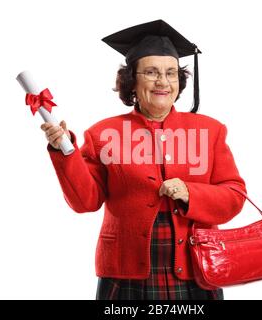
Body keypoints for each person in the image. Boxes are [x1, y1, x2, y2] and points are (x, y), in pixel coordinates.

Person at [40, 20, 246, 300]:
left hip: (197, 274)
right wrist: (65, 151)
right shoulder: (103, 133)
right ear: (132, 81)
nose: (163, 81)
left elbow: (234, 196)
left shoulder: (210, 131)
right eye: (151, 72)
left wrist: (190, 193)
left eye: (171, 73)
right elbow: (84, 202)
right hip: (125, 277)